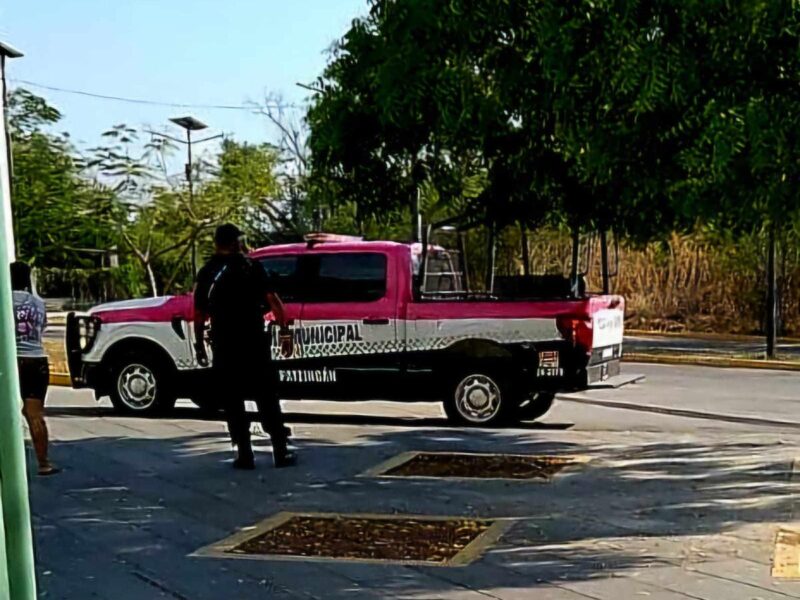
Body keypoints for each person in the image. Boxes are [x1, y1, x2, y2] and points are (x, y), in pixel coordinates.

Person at [193, 224, 295, 469]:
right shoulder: (252, 267)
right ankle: (280, 452)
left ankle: (244, 454)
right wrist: (285, 334)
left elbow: (198, 314)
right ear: (236, 242)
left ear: (217, 243)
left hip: (225, 345)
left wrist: (198, 344)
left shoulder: (208, 272)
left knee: (232, 401)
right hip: (254, 344)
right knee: (267, 397)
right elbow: (275, 303)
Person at [11, 261, 59, 476]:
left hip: (13, 360)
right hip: (37, 359)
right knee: (35, 414)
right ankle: (44, 462)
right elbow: (43, 328)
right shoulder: (39, 303)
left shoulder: (5, 301)